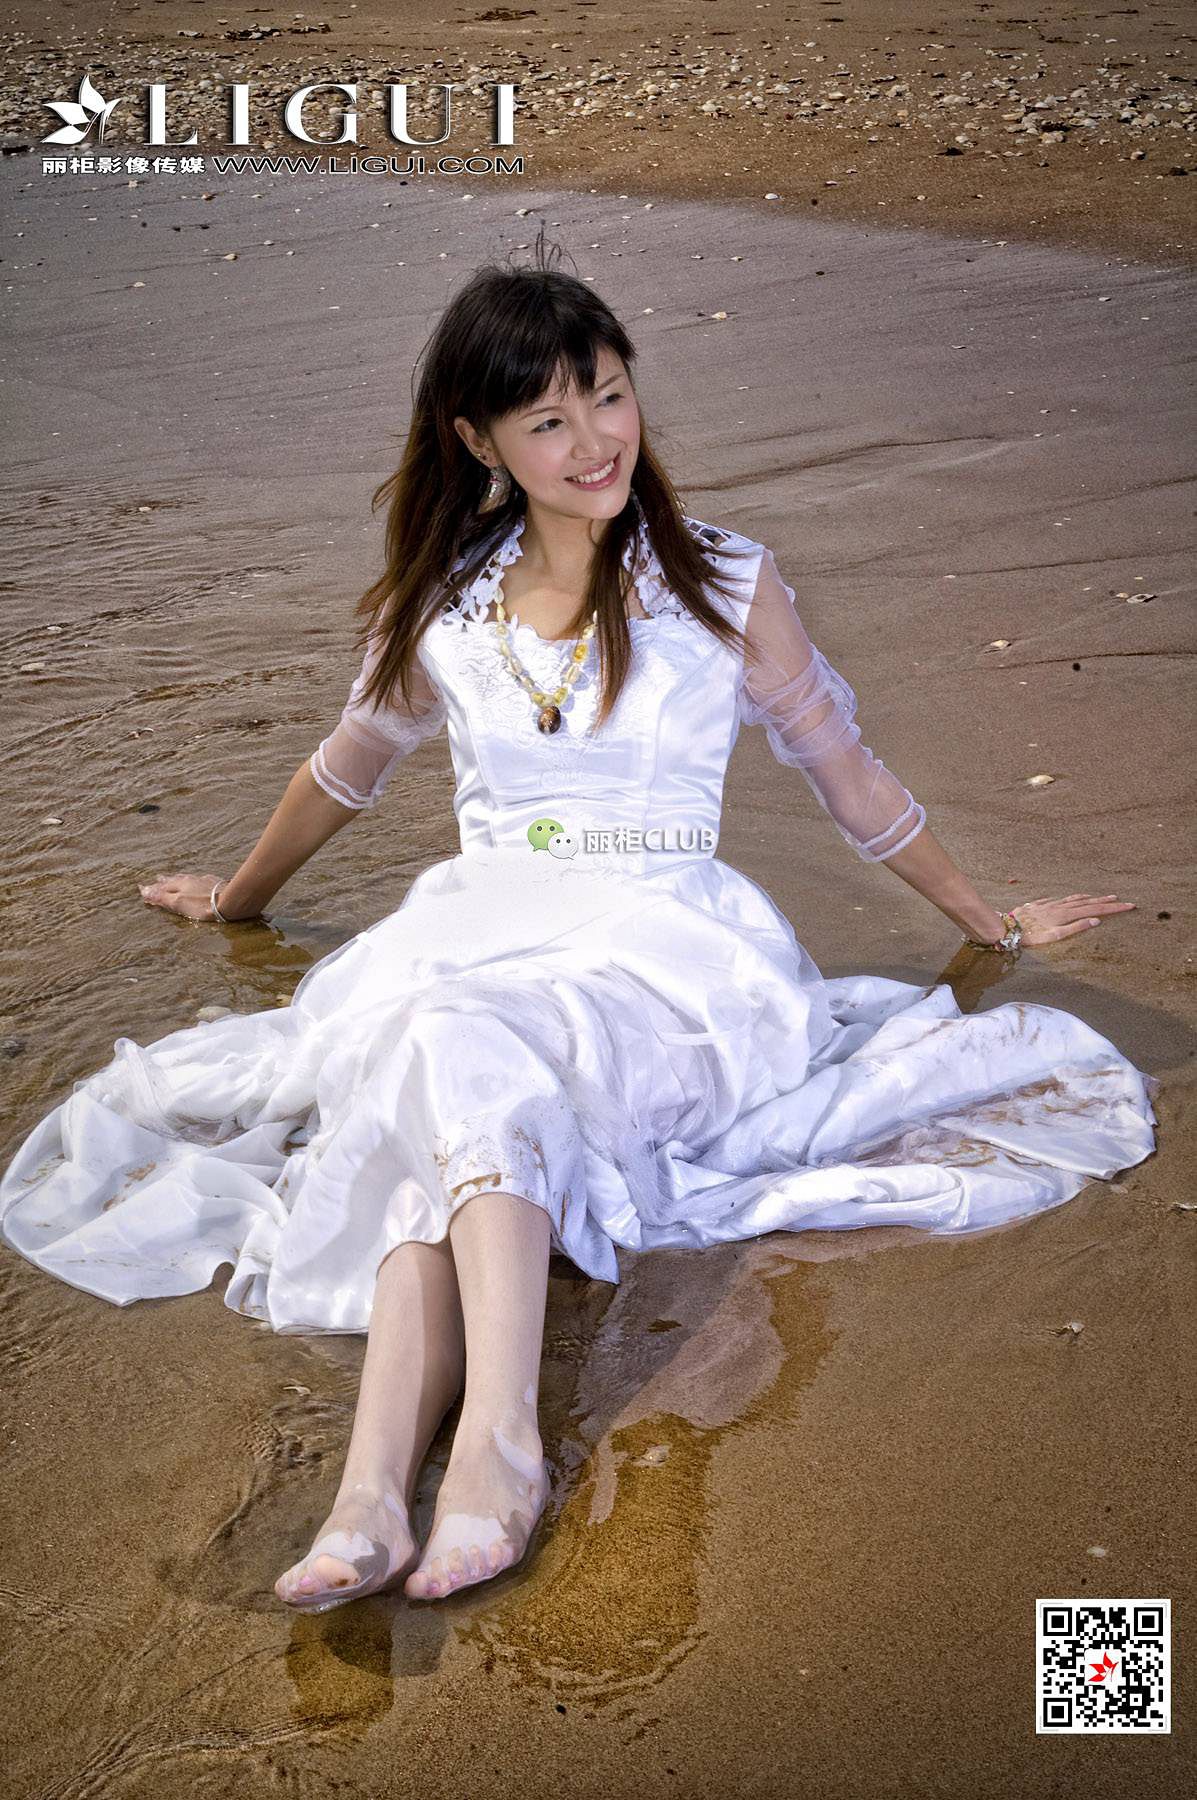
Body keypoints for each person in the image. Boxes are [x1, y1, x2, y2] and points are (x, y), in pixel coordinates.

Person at [0, 249, 1156, 1618]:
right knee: (441, 1052)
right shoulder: (446, 602)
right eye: (547, 419)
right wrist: (238, 897)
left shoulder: (722, 583)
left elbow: (843, 773)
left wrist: (988, 919)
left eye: (608, 395)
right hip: (479, 932)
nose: (595, 439)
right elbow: (346, 767)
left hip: (674, 958)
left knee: (448, 1050)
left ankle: (484, 1446)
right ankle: (375, 1491)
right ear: (476, 440)